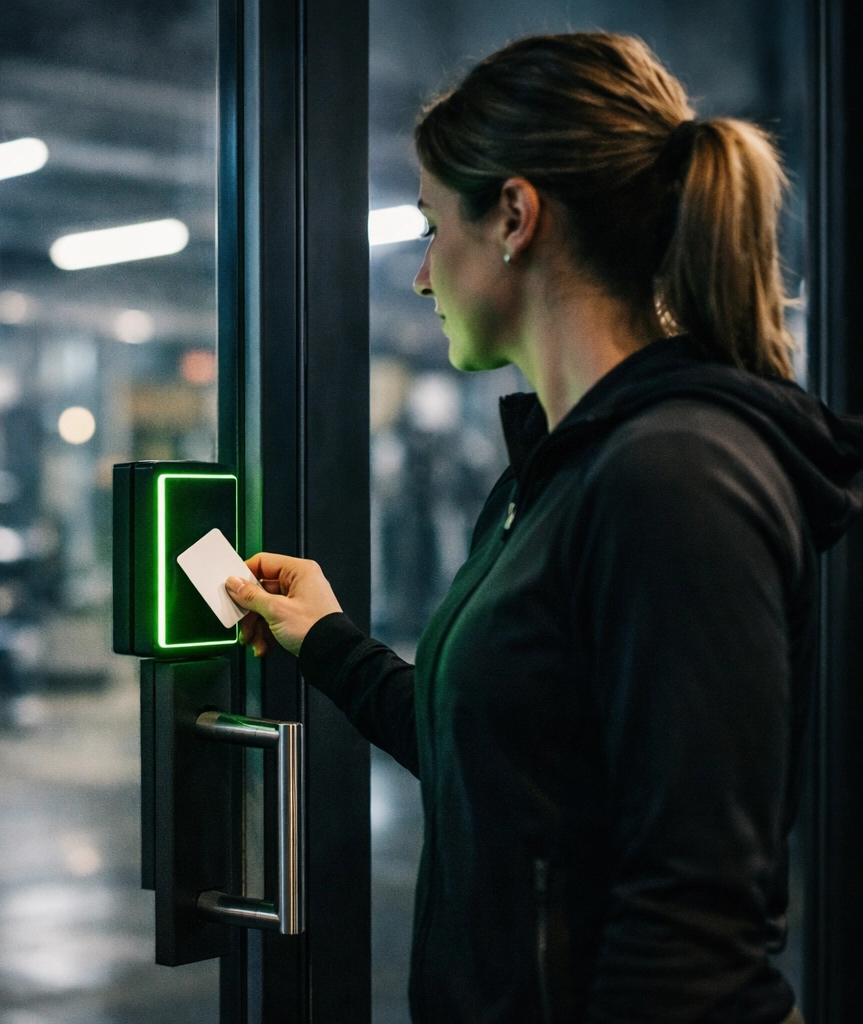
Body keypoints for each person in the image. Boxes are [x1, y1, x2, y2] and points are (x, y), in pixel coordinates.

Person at [226, 34, 863, 1024]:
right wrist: (331, 644)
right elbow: (500, 760)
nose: (422, 277)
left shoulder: (676, 478)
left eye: (435, 227)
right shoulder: (556, 475)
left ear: (516, 217)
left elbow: (692, 940)